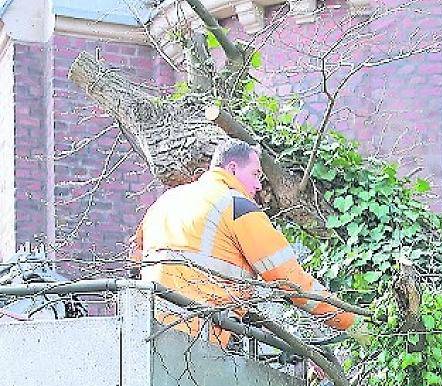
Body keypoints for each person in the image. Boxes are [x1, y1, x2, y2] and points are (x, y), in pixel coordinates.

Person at [133, 138, 355, 347]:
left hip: (149, 328)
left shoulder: (164, 202)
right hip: (201, 335)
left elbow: (135, 263)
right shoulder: (237, 207)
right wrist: (350, 321)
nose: (259, 185)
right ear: (232, 169)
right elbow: (291, 281)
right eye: (255, 174)